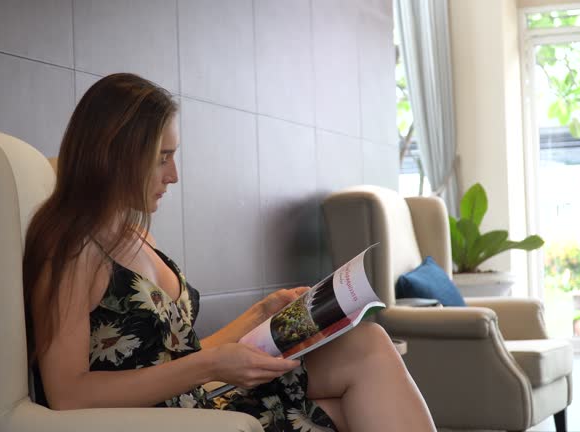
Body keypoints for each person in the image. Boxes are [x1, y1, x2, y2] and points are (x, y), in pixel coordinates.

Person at [23, 73, 436, 432]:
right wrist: (210, 367)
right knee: (364, 367)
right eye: (161, 159)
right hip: (166, 418)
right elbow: (68, 393)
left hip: (194, 399)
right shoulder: (73, 251)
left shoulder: (132, 233)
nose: (174, 175)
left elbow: (178, 354)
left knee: (366, 354)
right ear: (116, 155)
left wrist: (262, 313)